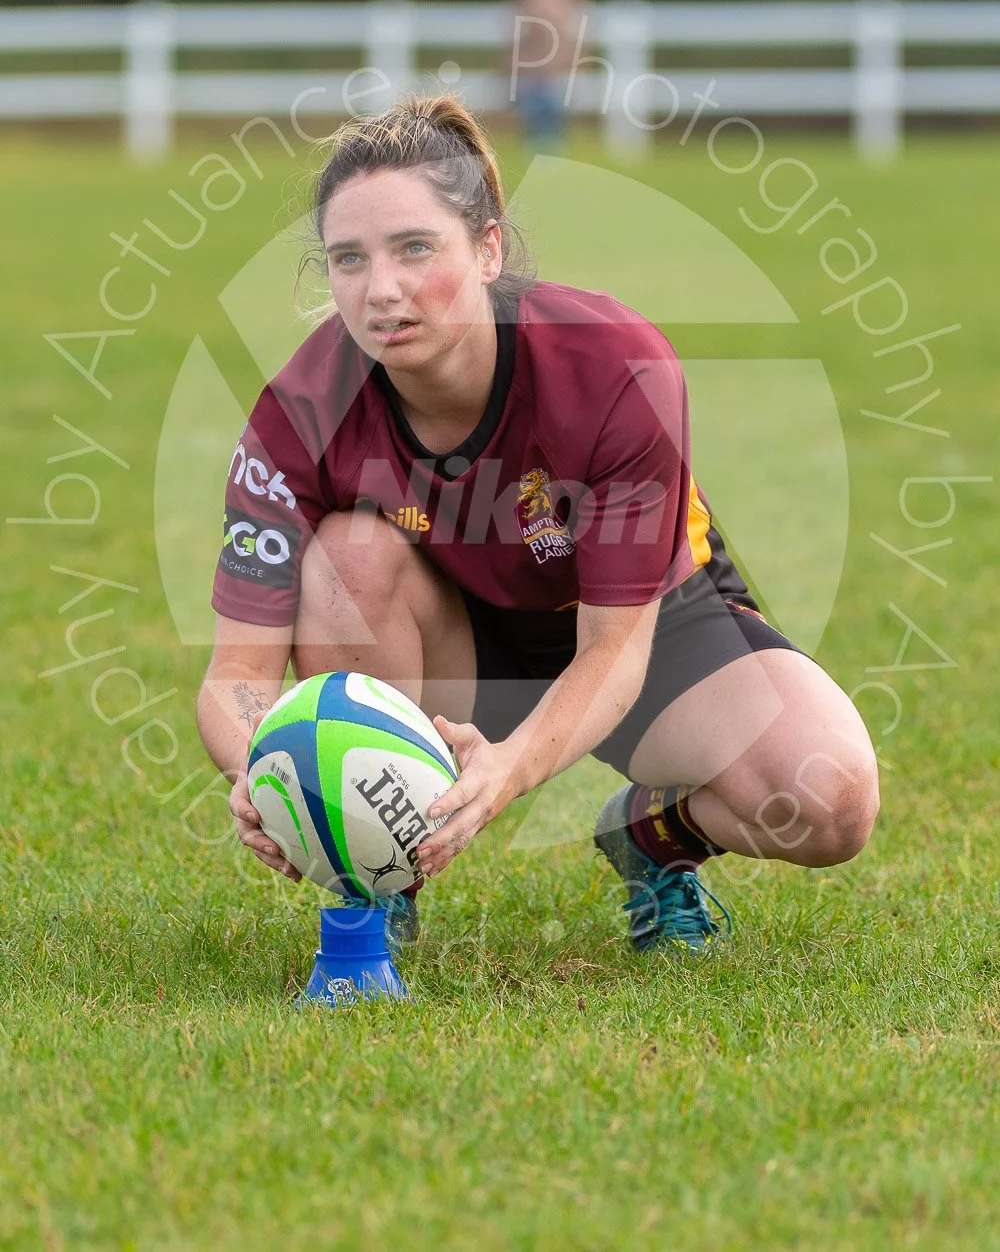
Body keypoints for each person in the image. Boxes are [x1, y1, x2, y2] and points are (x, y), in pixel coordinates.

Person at [196, 95, 879, 954]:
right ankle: (372, 892)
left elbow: (615, 651)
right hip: (456, 640)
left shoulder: (609, 365)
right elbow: (235, 677)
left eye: (415, 248)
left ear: (486, 248)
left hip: (642, 625)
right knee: (348, 556)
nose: (382, 290)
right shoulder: (296, 414)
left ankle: (645, 839)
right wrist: (263, 770)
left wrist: (509, 769)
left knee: (829, 802)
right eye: (348, 259)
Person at [506, 0, 588, 148]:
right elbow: (511, 55)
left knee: (548, 94)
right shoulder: (520, 9)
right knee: (538, 93)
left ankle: (544, 146)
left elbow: (578, 54)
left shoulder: (574, 9)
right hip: (529, 78)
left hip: (559, 78)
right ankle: (544, 146)